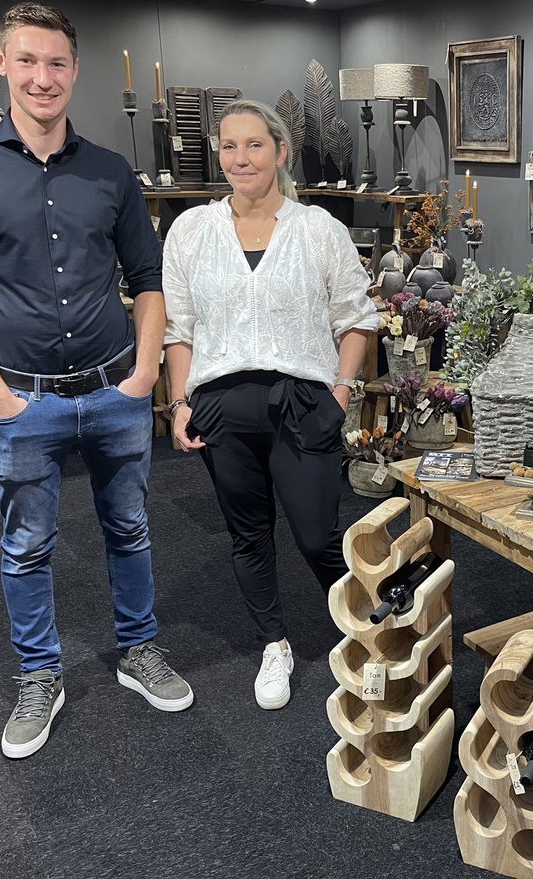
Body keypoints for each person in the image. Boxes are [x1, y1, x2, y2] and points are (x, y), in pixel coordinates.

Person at [0, 2, 193, 760]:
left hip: (114, 392)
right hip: (23, 400)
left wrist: (144, 374)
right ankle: (39, 674)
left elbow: (148, 278)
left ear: (75, 70)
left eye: (58, 63)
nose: (44, 77)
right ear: (1, 64)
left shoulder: (109, 171)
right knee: (25, 547)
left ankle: (138, 649)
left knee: (130, 529)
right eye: (29, 61)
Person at [162, 99, 378, 710]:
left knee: (317, 535)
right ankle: (274, 645)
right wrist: (179, 404)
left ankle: (371, 632)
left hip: (302, 400)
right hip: (220, 405)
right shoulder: (191, 231)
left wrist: (341, 391)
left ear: (281, 152)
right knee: (248, 534)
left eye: (254, 144)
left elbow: (356, 318)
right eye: (228, 146)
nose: (241, 158)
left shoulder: (318, 230)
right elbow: (180, 328)